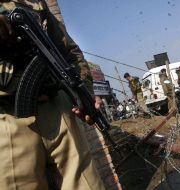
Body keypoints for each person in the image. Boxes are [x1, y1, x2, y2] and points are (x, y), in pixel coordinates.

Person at [0, 1, 105, 189]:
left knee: (88, 184)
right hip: (6, 119)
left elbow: (68, 50)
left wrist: (84, 93)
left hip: (56, 108)